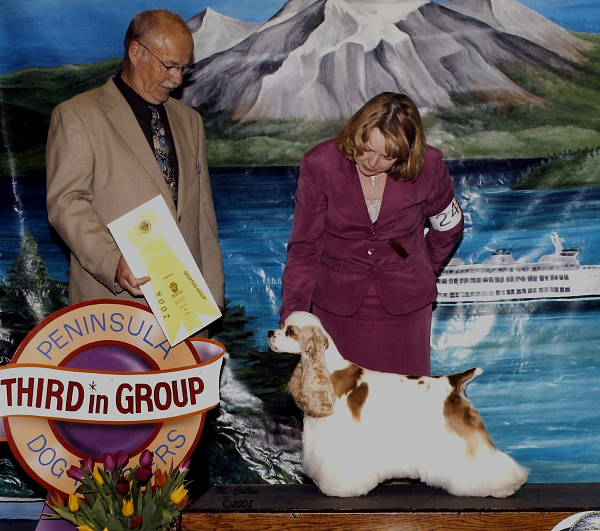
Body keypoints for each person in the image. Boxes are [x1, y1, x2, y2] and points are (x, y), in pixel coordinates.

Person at [46, 10, 224, 318]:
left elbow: (202, 215)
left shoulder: (190, 121)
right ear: (136, 52)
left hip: (188, 310)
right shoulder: (77, 115)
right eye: (169, 65)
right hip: (114, 309)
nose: (177, 79)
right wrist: (113, 261)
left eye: (184, 68)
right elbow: (66, 204)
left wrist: (213, 299)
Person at [280, 92, 464, 375]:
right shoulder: (321, 164)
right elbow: (305, 246)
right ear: (357, 132)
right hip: (337, 308)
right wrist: (294, 314)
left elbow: (449, 226)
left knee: (406, 406)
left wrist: (423, 267)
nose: (373, 161)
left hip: (407, 308)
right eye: (367, 148)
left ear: (405, 153)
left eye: (388, 156)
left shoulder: (429, 165)